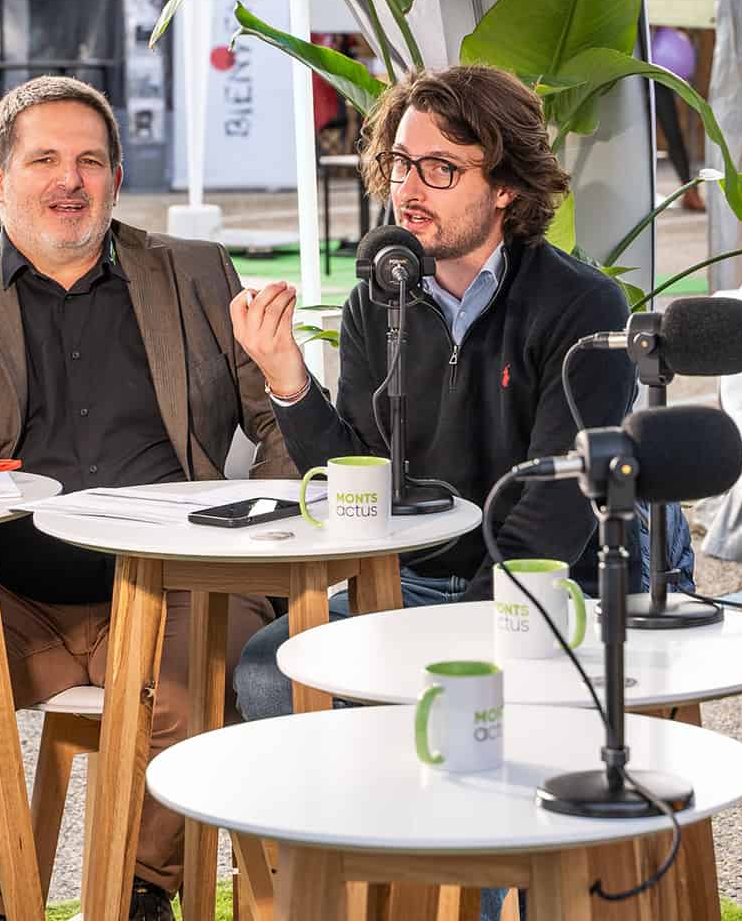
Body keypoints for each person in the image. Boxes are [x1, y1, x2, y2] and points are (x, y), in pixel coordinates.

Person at [0, 75, 294, 921]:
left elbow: (284, 418)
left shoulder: (193, 271)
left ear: (116, 177)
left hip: (169, 580)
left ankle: (145, 894)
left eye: (90, 160)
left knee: (197, 677)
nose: (68, 180)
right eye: (43, 159)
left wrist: (250, 534)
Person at [226, 65, 636, 724]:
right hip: (405, 585)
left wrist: (452, 632)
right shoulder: (374, 301)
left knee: (432, 705)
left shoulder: (581, 305)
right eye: (401, 164)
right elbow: (359, 484)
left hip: (544, 591)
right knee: (268, 673)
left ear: (505, 186)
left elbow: (556, 510)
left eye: (440, 169)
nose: (409, 191)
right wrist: (287, 378)